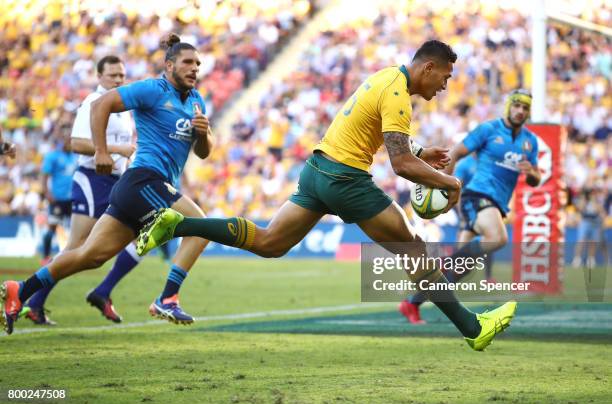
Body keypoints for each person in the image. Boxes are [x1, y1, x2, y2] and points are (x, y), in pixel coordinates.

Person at [138, 40, 517, 351]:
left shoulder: (386, 78)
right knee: (415, 249)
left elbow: (379, 134)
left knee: (270, 242)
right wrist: (448, 182)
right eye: (446, 77)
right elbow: (399, 165)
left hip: (317, 170)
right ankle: (472, 327)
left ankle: (179, 223)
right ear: (428, 68)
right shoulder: (398, 94)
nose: (446, 85)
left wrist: (420, 154)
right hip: (345, 179)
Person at [1, 33, 212, 334]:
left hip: (135, 185)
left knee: (90, 256)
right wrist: (101, 149)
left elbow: (203, 153)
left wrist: (203, 134)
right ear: (169, 65)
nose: (195, 68)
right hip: (143, 179)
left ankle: (20, 290)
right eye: (188, 62)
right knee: (199, 224)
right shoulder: (153, 89)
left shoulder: (195, 101)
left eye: (198, 64)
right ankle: (168, 297)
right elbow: (102, 104)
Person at [400, 89, 541, 324]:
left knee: (457, 270)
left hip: (496, 203)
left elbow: (535, 180)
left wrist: (532, 173)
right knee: (498, 238)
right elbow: (454, 154)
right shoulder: (488, 129)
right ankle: (446, 267)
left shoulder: (530, 142)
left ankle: (412, 303)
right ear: (509, 106)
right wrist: (440, 186)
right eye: (516, 105)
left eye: (525, 107)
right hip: (477, 195)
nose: (520, 111)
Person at [22, 55, 141, 325]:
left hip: (116, 182)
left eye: (122, 75)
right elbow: (77, 143)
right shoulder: (93, 102)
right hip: (93, 180)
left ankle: (101, 291)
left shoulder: (123, 107)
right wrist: (118, 149)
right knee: (76, 248)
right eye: (113, 75)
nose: (119, 80)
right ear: (99, 77)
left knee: (142, 236)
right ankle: (32, 298)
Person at [39, 127, 78, 266]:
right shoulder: (52, 156)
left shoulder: (76, 156)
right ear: (62, 141)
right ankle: (45, 256)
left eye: (71, 140)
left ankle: (73, 257)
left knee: (77, 229)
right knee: (51, 228)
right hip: (57, 199)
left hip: (73, 199)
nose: (69, 143)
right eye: (67, 140)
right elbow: (44, 177)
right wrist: (47, 194)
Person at [572, 187, 606, 268]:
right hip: (585, 221)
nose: (592, 195)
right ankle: (577, 259)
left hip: (595, 222)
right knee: (581, 240)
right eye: (591, 194)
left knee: (593, 241)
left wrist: (594, 201)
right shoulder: (584, 200)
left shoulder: (597, 201)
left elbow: (600, 211)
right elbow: (580, 209)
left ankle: (591, 259)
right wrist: (585, 200)